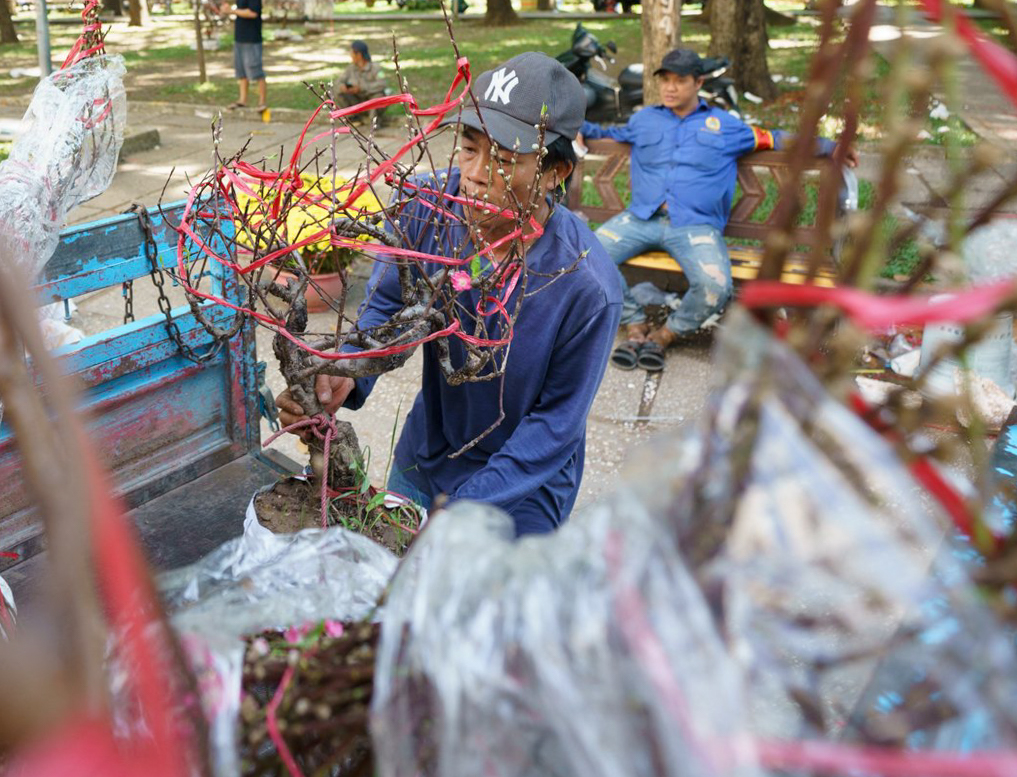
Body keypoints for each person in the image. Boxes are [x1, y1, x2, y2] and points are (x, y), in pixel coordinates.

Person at [276, 53, 624, 536]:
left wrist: (463, 509)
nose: (475, 174)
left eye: (504, 160)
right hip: (428, 455)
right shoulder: (426, 212)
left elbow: (554, 426)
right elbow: (387, 308)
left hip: (523, 488)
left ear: (554, 173)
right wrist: (347, 372)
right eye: (468, 148)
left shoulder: (585, 284)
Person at [581, 47, 852, 372]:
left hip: (694, 227)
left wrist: (831, 146)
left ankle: (664, 336)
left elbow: (777, 139)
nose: (669, 87)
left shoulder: (726, 127)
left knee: (715, 287)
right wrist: (577, 127)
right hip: (641, 217)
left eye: (679, 80)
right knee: (586, 259)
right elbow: (606, 134)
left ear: (699, 82)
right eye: (665, 79)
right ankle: (635, 325)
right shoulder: (644, 120)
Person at [230, 0, 266, 112]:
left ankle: (262, 102)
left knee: (256, 70)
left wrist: (232, 10)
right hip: (240, 36)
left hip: (252, 38)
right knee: (241, 70)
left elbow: (253, 13)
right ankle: (242, 100)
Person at [334, 39, 389, 106]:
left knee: (379, 96)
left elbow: (382, 84)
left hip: (371, 100)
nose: (351, 55)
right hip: (356, 100)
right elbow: (338, 82)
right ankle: (352, 116)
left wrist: (361, 88)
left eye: (352, 53)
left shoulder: (376, 68)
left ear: (359, 55)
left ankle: (373, 116)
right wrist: (342, 87)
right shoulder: (350, 68)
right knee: (339, 92)